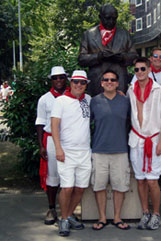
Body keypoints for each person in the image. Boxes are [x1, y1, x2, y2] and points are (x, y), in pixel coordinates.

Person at [127, 57, 161, 230]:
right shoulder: (131, 90)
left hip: (153, 140)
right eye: (136, 70)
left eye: (143, 69)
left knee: (152, 181)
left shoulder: (159, 90)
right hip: (136, 139)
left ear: (149, 69)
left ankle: (156, 214)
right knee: (140, 180)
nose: (139, 72)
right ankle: (145, 212)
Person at [51, 70, 91, 237]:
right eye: (75, 82)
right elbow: (54, 126)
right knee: (67, 188)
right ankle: (64, 218)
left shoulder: (88, 100)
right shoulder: (61, 101)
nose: (79, 85)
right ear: (70, 82)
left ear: (86, 84)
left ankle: (69, 215)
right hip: (67, 151)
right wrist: (58, 148)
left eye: (82, 82)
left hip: (85, 151)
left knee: (80, 188)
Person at [90, 70, 131, 231]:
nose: (109, 82)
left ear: (117, 83)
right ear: (101, 83)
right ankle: (102, 217)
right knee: (99, 185)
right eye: (106, 79)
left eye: (112, 80)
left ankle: (117, 217)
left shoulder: (126, 101)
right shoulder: (94, 101)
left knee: (120, 186)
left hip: (120, 150)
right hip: (99, 150)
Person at [78, 3, 138, 97]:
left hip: (119, 84)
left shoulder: (125, 34)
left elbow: (134, 57)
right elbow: (81, 59)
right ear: (100, 17)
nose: (111, 21)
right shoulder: (88, 34)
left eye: (114, 18)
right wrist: (98, 56)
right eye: (107, 18)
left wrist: (122, 58)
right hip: (96, 84)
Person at [35, 66, 69, 225]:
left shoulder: (73, 96)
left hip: (69, 140)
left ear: (66, 78)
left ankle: (67, 210)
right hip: (50, 141)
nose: (59, 81)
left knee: (69, 176)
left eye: (61, 77)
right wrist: (41, 146)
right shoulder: (45, 99)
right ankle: (51, 208)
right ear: (51, 80)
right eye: (55, 78)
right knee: (52, 175)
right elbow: (40, 123)